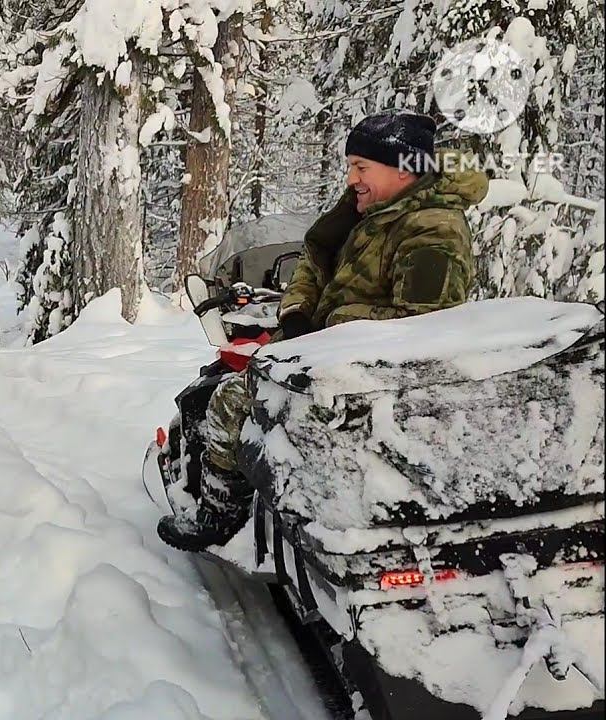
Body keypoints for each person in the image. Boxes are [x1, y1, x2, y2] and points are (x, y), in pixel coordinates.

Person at [158, 109, 489, 551]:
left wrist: (332, 327)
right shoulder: (370, 208)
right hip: (323, 348)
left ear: (404, 171)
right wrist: (296, 313)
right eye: (351, 166)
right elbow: (316, 255)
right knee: (225, 385)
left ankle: (220, 517)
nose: (351, 178)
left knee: (230, 404)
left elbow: (423, 330)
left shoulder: (432, 231)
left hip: (366, 374)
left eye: (361, 167)